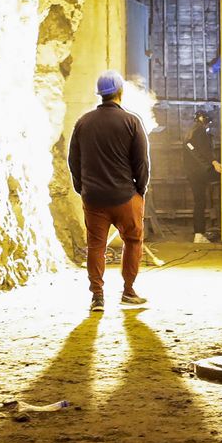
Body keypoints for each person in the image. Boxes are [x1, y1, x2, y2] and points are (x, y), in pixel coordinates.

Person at [67, 70, 150, 311]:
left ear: (99, 95)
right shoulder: (132, 122)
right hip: (125, 197)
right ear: (120, 92)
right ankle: (128, 291)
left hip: (94, 198)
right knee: (133, 241)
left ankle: (97, 297)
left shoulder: (83, 122)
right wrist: (140, 190)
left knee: (96, 246)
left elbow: (74, 160)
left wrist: (82, 188)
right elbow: (141, 162)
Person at [184, 109, 220, 240]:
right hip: (201, 172)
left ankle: (199, 234)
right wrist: (214, 162)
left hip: (192, 173)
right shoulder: (200, 132)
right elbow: (204, 149)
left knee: (199, 202)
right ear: (204, 120)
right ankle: (214, 224)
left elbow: (194, 151)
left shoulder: (189, 134)